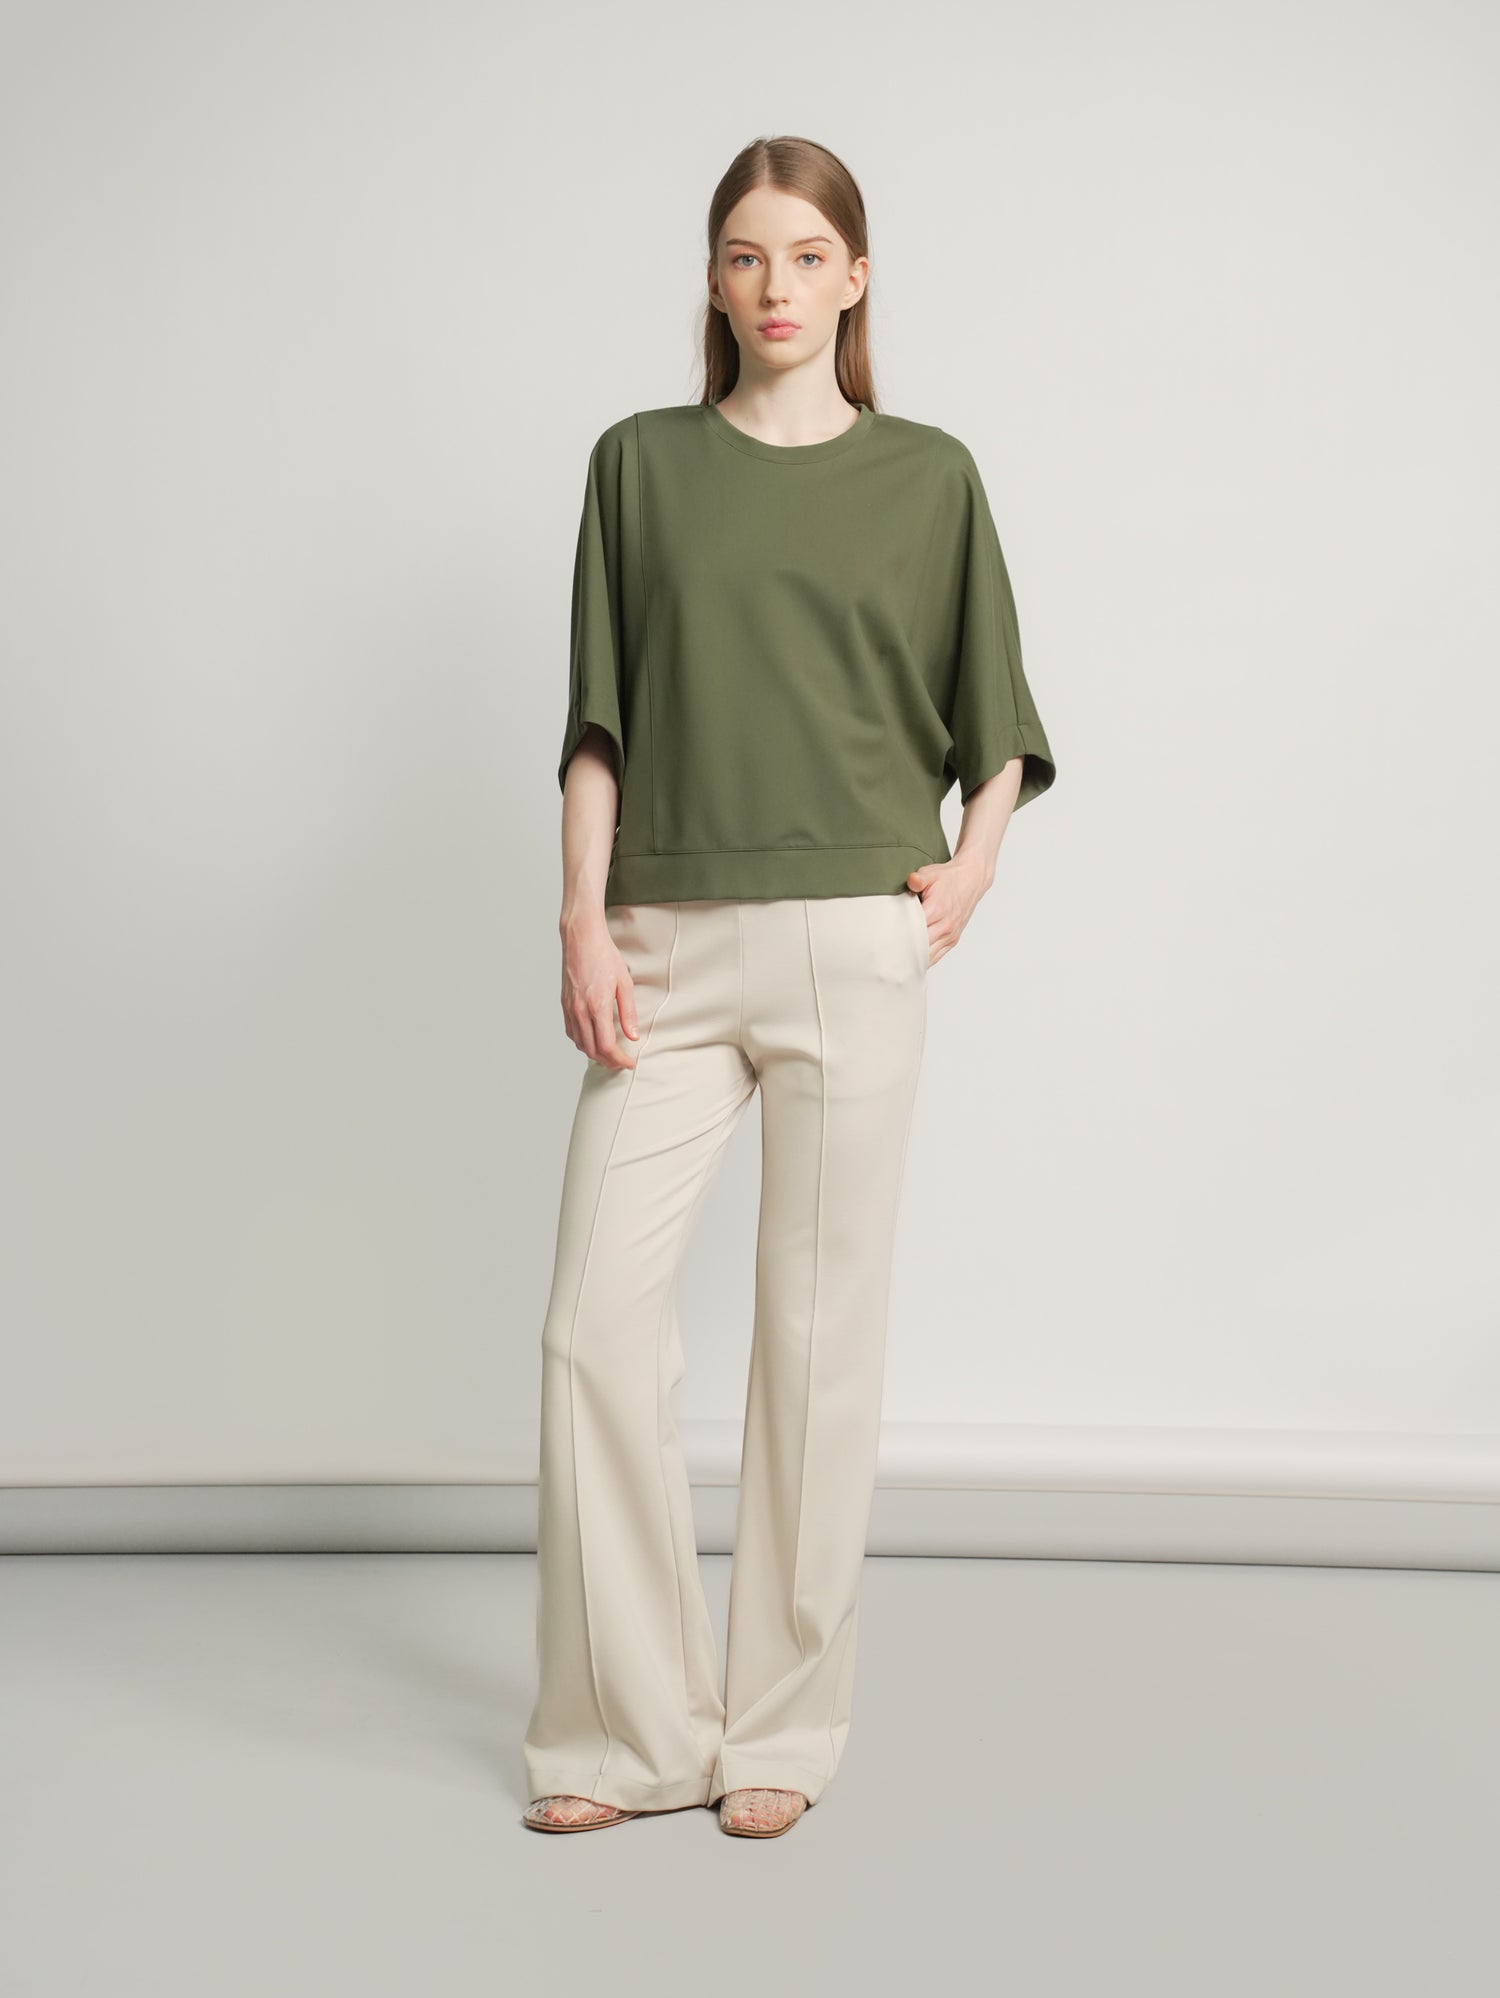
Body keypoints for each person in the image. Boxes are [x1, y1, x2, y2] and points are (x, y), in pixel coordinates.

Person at [522, 134, 1058, 1839]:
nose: (776, 286)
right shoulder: (640, 466)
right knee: (595, 1324)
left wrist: (969, 869)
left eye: (808, 255)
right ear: (713, 277)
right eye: (747, 255)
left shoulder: (930, 476)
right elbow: (599, 720)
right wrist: (582, 917)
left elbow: (1000, 725)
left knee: (818, 1342)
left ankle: (779, 1730)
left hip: (852, 938)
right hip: (664, 945)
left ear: (857, 277)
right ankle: (624, 1733)